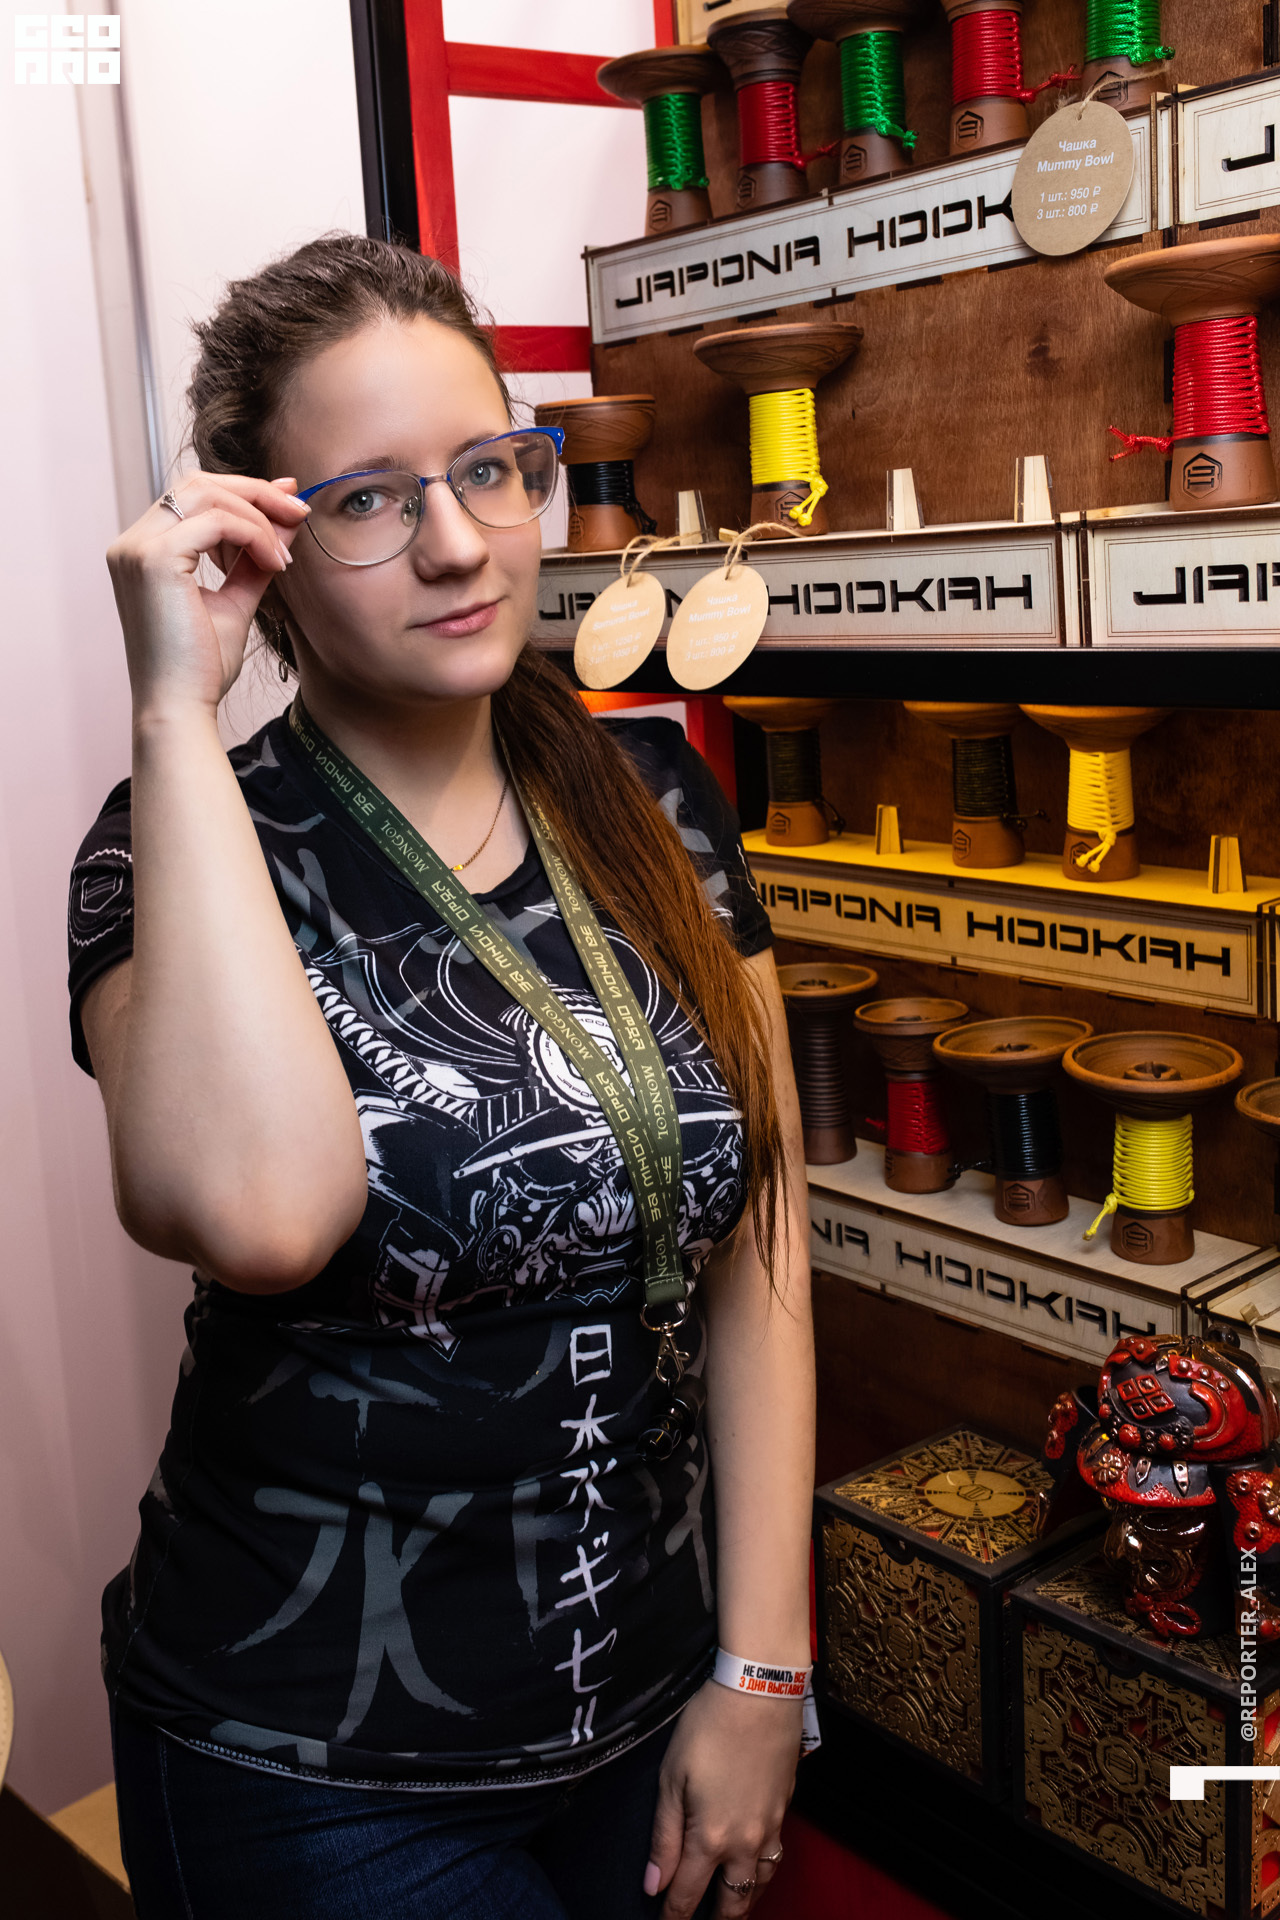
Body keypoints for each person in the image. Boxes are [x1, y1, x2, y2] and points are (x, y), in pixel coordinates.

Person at [67, 232, 816, 1920]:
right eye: (368, 500)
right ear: (263, 543)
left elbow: (761, 1237)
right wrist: (175, 710)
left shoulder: (657, 796)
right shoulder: (172, 844)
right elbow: (261, 1216)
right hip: (311, 1769)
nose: (461, 542)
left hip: (648, 1711)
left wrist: (764, 1668)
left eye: (489, 468)